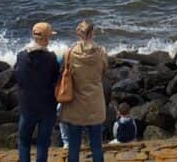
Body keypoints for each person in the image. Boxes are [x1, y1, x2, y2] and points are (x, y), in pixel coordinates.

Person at [60, 20, 110, 162]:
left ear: (78, 34)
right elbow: (103, 72)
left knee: (74, 146)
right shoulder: (101, 53)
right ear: (92, 33)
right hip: (95, 104)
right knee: (96, 146)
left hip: (75, 104)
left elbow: (65, 72)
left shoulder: (69, 54)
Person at [15, 22, 61, 162]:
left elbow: (18, 78)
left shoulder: (21, 56)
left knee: (24, 141)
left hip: (27, 105)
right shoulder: (51, 58)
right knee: (43, 143)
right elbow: (55, 79)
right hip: (47, 106)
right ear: (46, 38)